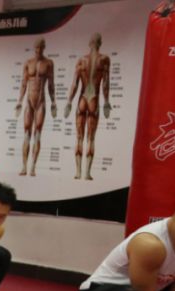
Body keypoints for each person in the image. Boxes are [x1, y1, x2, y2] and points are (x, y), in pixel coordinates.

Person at [64, 32, 111, 181]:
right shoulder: (104, 60)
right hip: (94, 99)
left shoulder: (81, 60)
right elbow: (105, 83)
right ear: (100, 43)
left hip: (82, 99)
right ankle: (86, 173)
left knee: (79, 137)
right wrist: (106, 102)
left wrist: (69, 102)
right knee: (91, 138)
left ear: (90, 43)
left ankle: (78, 172)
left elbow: (74, 85)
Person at [15, 38, 57, 177]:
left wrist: (53, 102)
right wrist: (19, 101)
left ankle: (33, 166)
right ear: (34, 48)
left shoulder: (49, 63)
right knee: (26, 134)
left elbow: (51, 84)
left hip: (41, 102)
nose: (38, 50)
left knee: (37, 134)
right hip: (29, 102)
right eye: (36, 48)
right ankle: (23, 166)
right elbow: (23, 83)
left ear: (44, 48)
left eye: (41, 48)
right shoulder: (28, 63)